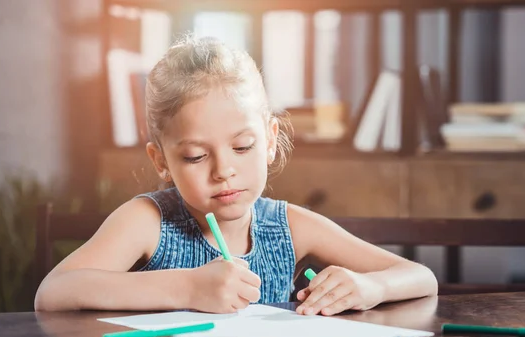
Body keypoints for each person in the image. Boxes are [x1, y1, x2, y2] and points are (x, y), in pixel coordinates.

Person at [35, 35, 437, 315]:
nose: (223, 171)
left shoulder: (288, 226)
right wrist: (187, 288)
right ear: (161, 162)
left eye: (242, 147)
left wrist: (370, 288)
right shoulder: (148, 222)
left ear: (270, 140)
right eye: (195, 156)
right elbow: (53, 293)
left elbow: (420, 277)